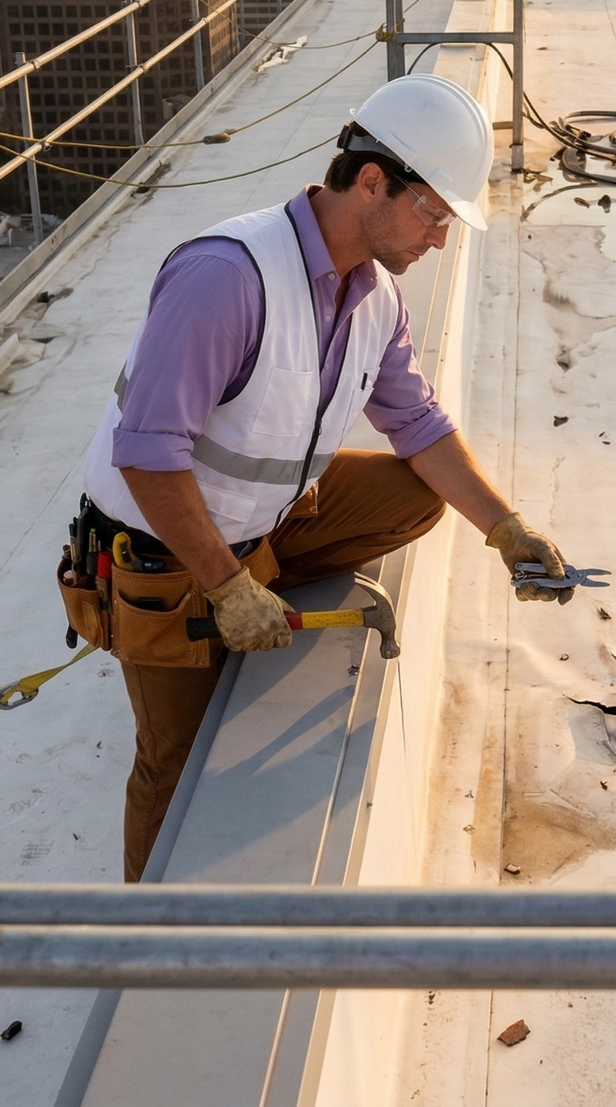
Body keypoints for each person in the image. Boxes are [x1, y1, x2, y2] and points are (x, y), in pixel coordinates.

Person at [83, 74, 573, 882]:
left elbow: (418, 425)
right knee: (171, 761)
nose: (440, 239)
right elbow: (147, 452)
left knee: (418, 495)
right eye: (434, 212)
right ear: (372, 181)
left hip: (265, 518)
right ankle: (142, 941)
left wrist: (503, 525)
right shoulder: (228, 276)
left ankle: (261, 570)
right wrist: (227, 583)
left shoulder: (374, 294)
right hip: (160, 545)